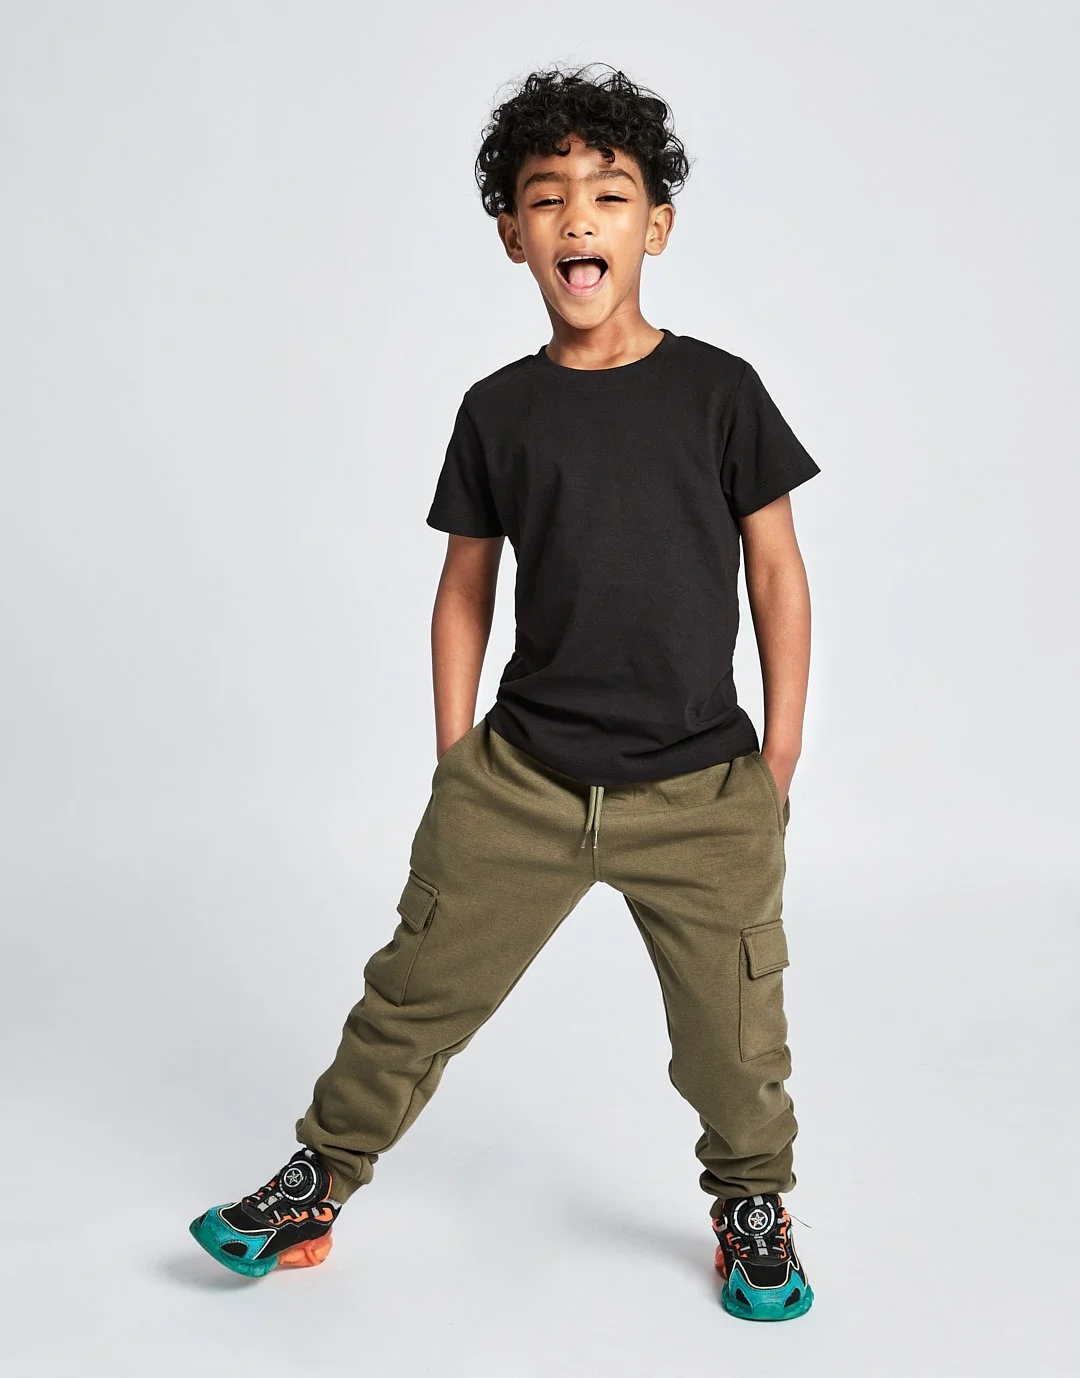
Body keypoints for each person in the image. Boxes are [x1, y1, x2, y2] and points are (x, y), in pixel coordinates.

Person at [190, 62, 821, 1323]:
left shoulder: (719, 392)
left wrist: (778, 762)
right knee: (411, 998)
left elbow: (778, 574)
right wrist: (456, 755)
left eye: (609, 193)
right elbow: (463, 588)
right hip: (521, 784)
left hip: (702, 791)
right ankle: (319, 1177)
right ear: (512, 235)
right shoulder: (499, 410)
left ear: (658, 224)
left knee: (734, 1043)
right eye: (548, 198)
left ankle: (752, 1197)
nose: (578, 219)